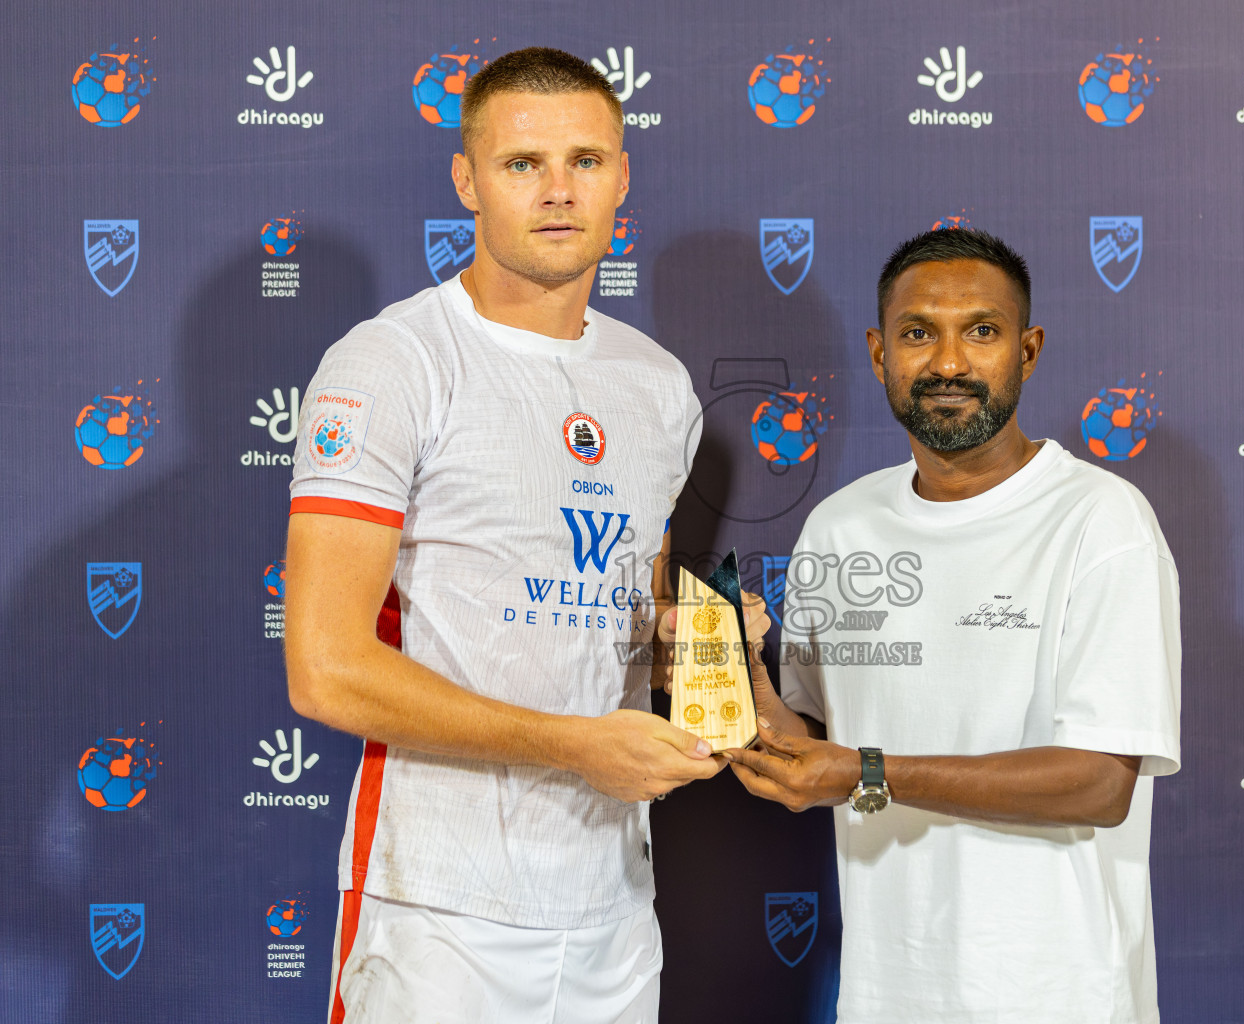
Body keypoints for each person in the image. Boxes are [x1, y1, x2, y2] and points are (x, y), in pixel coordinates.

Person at [284, 47, 762, 1024]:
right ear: (467, 178)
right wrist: (571, 745)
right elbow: (326, 668)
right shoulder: (391, 362)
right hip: (440, 912)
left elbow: (621, 611)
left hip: (613, 905)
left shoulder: (657, 384)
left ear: (623, 175)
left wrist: (695, 643)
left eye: (586, 161)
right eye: (521, 164)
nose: (557, 191)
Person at [727, 228, 1182, 1023]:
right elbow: (806, 737)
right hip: (887, 992)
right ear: (878, 353)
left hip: (1058, 994)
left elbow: (1101, 783)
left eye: (981, 331)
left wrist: (870, 773)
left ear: (1028, 351)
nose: (947, 363)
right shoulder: (842, 527)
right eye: (917, 333)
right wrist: (738, 682)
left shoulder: (1101, 521)